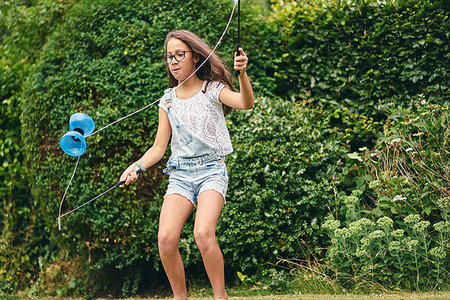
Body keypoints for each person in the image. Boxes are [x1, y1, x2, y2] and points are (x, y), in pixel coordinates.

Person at [119, 30, 254, 300]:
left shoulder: (212, 90)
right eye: (170, 57)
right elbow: (159, 148)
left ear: (195, 57)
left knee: (203, 234)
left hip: (211, 171)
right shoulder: (167, 100)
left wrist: (242, 75)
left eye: (180, 55)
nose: (174, 61)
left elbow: (245, 103)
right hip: (180, 176)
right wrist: (136, 166)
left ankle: (220, 296)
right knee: (166, 240)